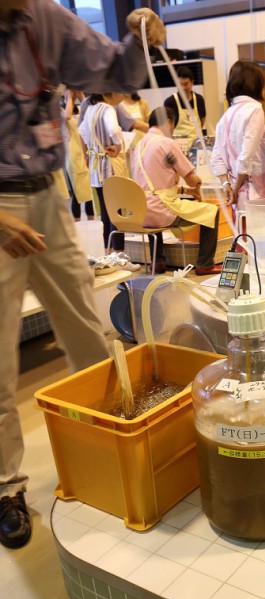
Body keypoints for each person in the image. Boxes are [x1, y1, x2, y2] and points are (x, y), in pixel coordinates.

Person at [0, 0, 165, 550]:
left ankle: (109, 441)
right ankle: (5, 488)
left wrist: (138, 35)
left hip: (47, 194)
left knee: (88, 336)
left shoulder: (44, 18)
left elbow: (114, 70)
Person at [132, 107, 221, 276]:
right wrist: (196, 182)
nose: (172, 130)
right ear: (168, 122)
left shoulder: (139, 146)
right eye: (173, 125)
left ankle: (158, 261)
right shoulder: (166, 143)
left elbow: (152, 186)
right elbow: (191, 179)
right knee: (212, 211)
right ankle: (205, 264)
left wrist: (182, 189)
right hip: (162, 209)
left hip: (141, 211)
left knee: (152, 205)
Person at [78, 92, 140, 266]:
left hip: (96, 168)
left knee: (105, 213)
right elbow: (113, 129)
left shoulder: (90, 109)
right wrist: (118, 145)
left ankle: (107, 256)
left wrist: (87, 154)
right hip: (109, 166)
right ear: (109, 92)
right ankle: (120, 258)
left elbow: (81, 132)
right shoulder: (107, 109)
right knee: (117, 212)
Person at [210, 61, 265, 211]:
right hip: (255, 194)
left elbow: (216, 158)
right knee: (258, 226)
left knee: (241, 226)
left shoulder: (226, 115)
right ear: (256, 84)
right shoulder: (255, 109)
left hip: (238, 195)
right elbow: (246, 156)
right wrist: (236, 187)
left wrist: (227, 185)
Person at [63, 90, 95, 222]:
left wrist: (81, 95)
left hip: (85, 151)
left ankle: (91, 222)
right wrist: (70, 97)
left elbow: (91, 109)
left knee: (89, 191)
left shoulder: (81, 109)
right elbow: (67, 116)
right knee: (77, 191)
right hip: (73, 153)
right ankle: (77, 224)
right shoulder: (61, 110)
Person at [163, 66, 206, 145]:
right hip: (178, 146)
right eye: (180, 85)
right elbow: (167, 127)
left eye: (186, 84)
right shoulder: (170, 102)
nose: (183, 88)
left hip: (197, 145)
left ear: (192, 82)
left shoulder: (199, 99)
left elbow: (202, 120)